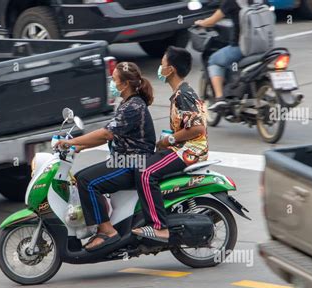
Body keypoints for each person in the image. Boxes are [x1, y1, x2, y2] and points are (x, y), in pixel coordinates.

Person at [56, 62, 156, 251]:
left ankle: (107, 231)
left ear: (125, 84)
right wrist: (80, 146)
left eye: (114, 79)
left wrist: (72, 142)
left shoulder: (133, 107)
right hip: (124, 160)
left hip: (134, 163)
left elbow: (106, 134)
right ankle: (100, 223)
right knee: (81, 177)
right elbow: (109, 134)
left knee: (87, 181)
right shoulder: (127, 103)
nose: (111, 82)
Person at [132, 46, 209, 242]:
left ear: (171, 69)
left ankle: (160, 227)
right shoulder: (180, 93)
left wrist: (168, 140)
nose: (160, 68)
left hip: (190, 151)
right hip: (182, 148)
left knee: (146, 173)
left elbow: (197, 128)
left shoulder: (183, 94)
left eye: (163, 64)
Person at [195, 0, 243, 111]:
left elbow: (212, 21)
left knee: (214, 60)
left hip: (241, 48)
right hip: (264, 46)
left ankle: (219, 97)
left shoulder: (232, 2)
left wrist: (200, 23)